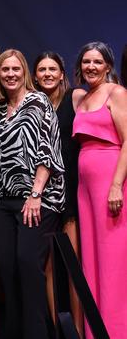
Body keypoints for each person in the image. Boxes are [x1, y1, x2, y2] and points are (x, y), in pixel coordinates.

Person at [0, 49, 64, 339]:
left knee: (27, 264)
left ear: (24, 72)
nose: (10, 74)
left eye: (15, 69)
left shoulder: (39, 102)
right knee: (7, 268)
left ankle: (37, 333)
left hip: (39, 198)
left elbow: (47, 150)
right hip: (5, 199)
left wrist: (35, 194)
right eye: (4, 70)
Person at [72, 41, 127, 339]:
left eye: (97, 61)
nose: (91, 67)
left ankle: (118, 331)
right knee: (92, 259)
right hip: (85, 189)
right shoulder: (82, 98)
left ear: (108, 65)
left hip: (111, 183)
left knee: (113, 261)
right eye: (86, 62)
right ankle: (97, 331)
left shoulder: (116, 93)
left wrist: (117, 184)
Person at [32, 51, 83, 334]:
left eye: (53, 69)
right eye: (42, 69)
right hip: (45, 192)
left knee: (73, 265)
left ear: (62, 73)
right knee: (49, 266)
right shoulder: (33, 104)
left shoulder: (75, 98)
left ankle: (76, 328)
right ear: (35, 75)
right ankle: (56, 330)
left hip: (72, 187)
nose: (48, 74)